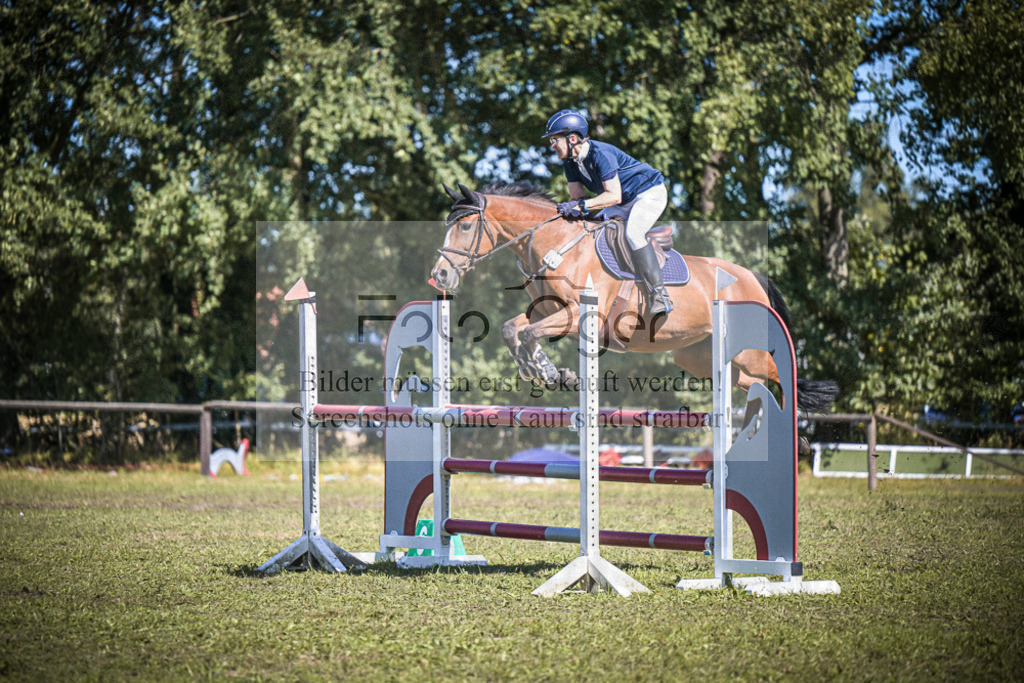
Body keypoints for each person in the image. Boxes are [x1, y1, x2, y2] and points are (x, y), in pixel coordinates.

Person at [543, 109, 673, 315]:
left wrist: (581, 207)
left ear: (572, 139)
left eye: (554, 140)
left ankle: (659, 294)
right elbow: (577, 197)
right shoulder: (570, 162)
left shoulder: (601, 154)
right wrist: (569, 209)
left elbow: (614, 196)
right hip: (623, 199)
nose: (552, 145)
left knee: (634, 234)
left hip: (647, 194)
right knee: (590, 231)